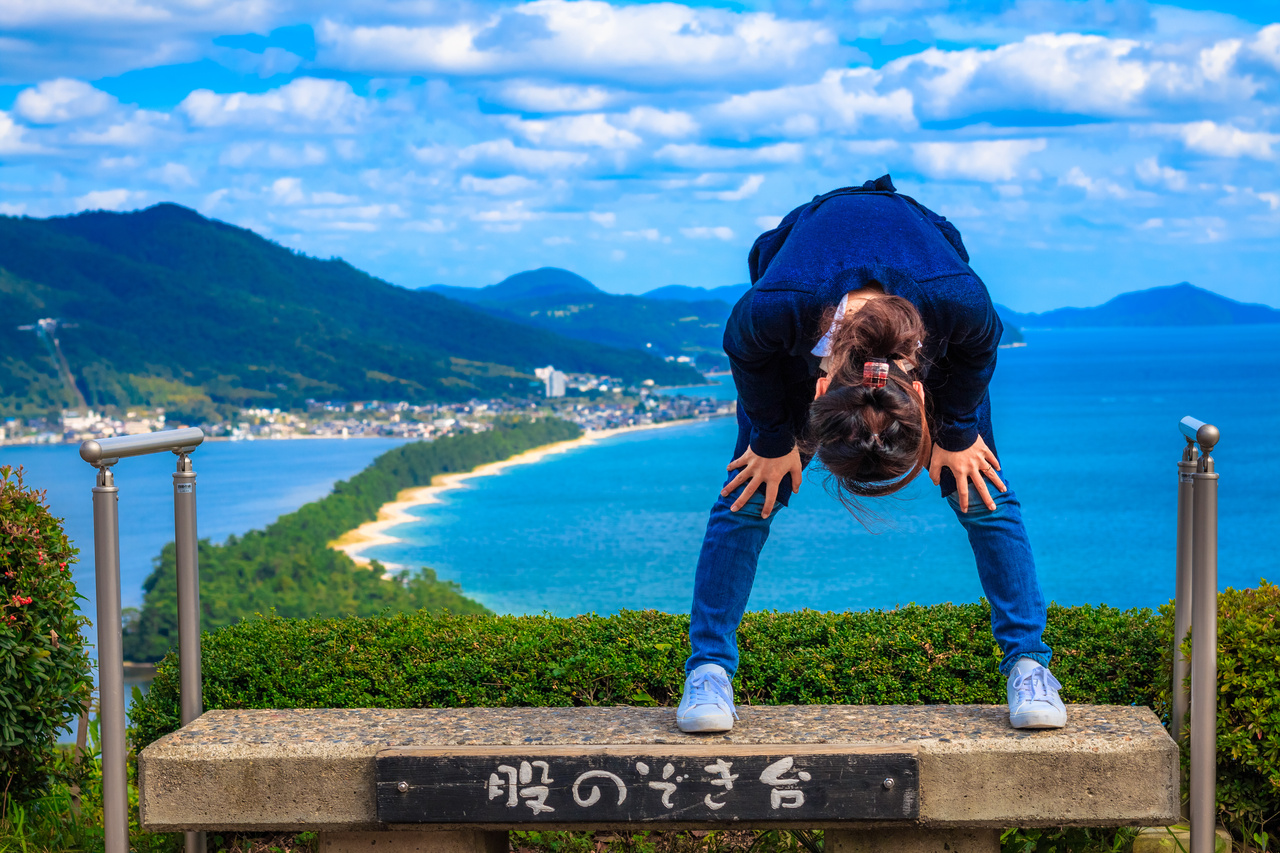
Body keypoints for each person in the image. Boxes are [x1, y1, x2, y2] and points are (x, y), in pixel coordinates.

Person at [675, 175, 1066, 733]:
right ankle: (708, 671)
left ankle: (1030, 666)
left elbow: (982, 344)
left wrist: (956, 433)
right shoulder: (775, 311)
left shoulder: (957, 302)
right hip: (805, 305)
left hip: (922, 312)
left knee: (980, 488)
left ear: (922, 395)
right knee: (751, 491)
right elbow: (743, 347)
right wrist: (771, 440)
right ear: (816, 393)